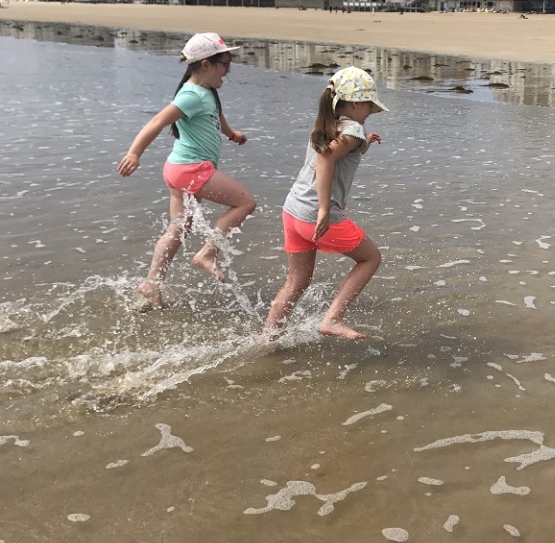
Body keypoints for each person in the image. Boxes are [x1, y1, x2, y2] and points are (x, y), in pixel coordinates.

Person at [117, 32, 257, 309]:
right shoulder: (192, 94)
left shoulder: (206, 92)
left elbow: (216, 116)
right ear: (205, 64)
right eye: (224, 63)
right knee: (246, 203)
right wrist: (134, 152)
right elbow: (157, 121)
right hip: (191, 169)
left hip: (177, 169)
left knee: (178, 229)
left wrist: (231, 134)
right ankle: (207, 252)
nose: (228, 70)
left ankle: (151, 284)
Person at [265, 66, 386, 340]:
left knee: (296, 282)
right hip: (316, 216)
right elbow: (326, 159)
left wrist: (364, 143)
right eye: (369, 106)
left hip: (292, 210)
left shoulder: (328, 124)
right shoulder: (352, 129)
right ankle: (333, 318)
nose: (370, 113)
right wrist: (323, 210)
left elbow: (335, 151)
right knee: (371, 257)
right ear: (355, 103)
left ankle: (267, 339)